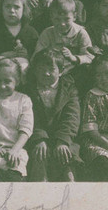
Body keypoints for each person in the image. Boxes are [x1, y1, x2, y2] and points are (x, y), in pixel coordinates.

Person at [25, 49, 82, 181]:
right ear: (34, 70)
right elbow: (30, 118)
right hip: (37, 139)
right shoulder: (28, 90)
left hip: (63, 137)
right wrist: (39, 139)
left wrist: (62, 141)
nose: (46, 73)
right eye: (41, 69)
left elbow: (72, 117)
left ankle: (70, 187)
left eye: (51, 69)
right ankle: (40, 189)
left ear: (61, 71)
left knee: (67, 155)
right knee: (39, 155)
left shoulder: (70, 90)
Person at [34, 0, 93, 75]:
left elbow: (89, 57)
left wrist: (74, 58)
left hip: (75, 72)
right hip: (52, 72)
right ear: (51, 17)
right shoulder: (47, 33)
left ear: (74, 16)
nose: (62, 24)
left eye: (67, 19)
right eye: (57, 19)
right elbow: (37, 56)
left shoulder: (81, 33)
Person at [0, 0, 38, 66]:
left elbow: (36, 60)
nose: (12, 10)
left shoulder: (31, 33)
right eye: (7, 6)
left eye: (16, 7)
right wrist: (3, 56)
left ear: (23, 9)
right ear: (1, 8)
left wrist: (27, 55)